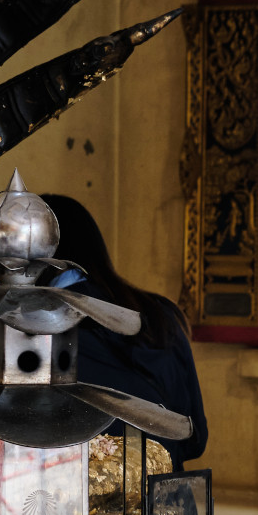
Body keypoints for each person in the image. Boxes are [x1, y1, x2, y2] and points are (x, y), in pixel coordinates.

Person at [42, 194, 208, 470]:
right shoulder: (159, 313)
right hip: (169, 501)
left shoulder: (40, 328)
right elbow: (194, 438)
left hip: (86, 503)